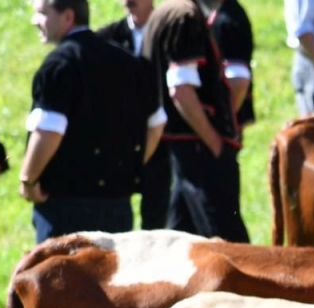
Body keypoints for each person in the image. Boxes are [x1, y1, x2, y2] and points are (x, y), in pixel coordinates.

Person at [20, 0, 162, 242]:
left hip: (66, 206)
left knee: (61, 280)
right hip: (117, 204)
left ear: (68, 17)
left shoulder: (60, 65)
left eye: (42, 14)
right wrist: (131, 165)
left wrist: (29, 179)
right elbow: (156, 123)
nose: (35, 21)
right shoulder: (128, 63)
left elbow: (49, 132)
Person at [145, 0, 246, 241]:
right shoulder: (186, 16)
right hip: (199, 148)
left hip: (183, 148)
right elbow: (180, 88)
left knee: (181, 239)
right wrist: (214, 141)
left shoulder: (166, 12)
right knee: (228, 245)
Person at [98, 0, 169, 228]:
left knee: (159, 212)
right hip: (121, 139)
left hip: (164, 139)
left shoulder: (171, 31)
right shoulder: (107, 37)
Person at [207, 0, 255, 129]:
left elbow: (237, 78)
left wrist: (221, 123)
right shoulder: (216, 12)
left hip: (217, 122)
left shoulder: (228, 20)